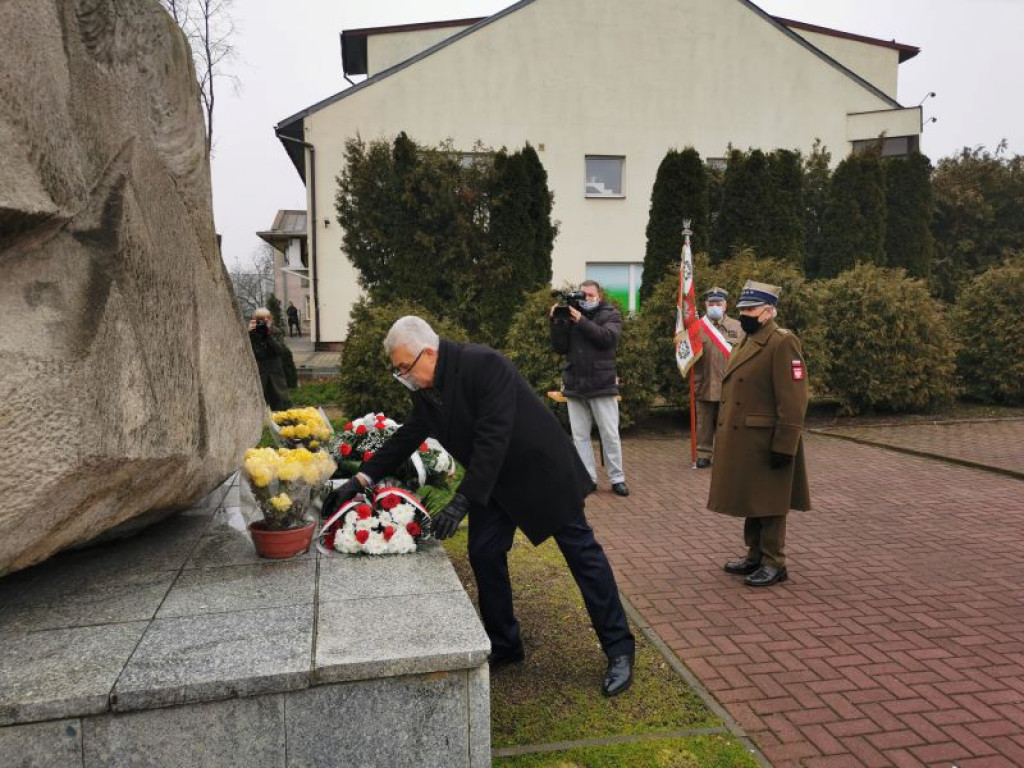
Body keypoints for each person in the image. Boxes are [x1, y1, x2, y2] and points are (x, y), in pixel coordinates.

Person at [325, 316, 636, 696]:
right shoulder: (428, 387)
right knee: (485, 552)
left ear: (430, 351)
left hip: (540, 472)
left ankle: (619, 649)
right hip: (494, 481)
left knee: (582, 555)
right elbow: (408, 434)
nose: (403, 376)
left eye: (405, 367)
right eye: (398, 370)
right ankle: (505, 643)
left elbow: (494, 437)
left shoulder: (485, 364)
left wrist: (461, 501)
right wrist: (361, 479)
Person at [707, 281, 810, 587]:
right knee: (752, 498)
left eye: (751, 309)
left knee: (771, 502)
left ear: (768, 311)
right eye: (742, 310)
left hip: (769, 439)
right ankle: (755, 555)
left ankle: (774, 562)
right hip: (747, 440)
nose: (745, 315)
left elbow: (793, 399)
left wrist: (785, 443)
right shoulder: (748, 339)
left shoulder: (782, 342)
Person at [549, 280, 629, 497]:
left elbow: (607, 339)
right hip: (575, 382)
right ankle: (588, 479)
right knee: (580, 436)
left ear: (599, 296)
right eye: (582, 295)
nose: (585, 298)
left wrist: (581, 320)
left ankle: (617, 478)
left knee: (609, 434)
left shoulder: (610, 314)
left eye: (589, 295)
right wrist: (556, 321)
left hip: (602, 384)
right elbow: (560, 347)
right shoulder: (571, 314)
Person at [693, 287, 744, 468]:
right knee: (704, 422)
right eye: (711, 303)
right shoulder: (697, 327)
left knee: (728, 422)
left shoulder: (738, 327)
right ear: (706, 305)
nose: (715, 306)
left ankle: (726, 453)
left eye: (718, 303)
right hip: (704, 380)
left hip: (729, 383)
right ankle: (703, 453)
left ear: (725, 305)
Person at [248, 307, 292, 411]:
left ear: (270, 318)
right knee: (260, 403)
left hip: (275, 372)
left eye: (265, 319)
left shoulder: (276, 332)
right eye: (259, 319)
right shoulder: (253, 332)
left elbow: (281, 351)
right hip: (260, 371)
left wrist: (269, 336)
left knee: (280, 402)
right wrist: (248, 334)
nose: (262, 322)